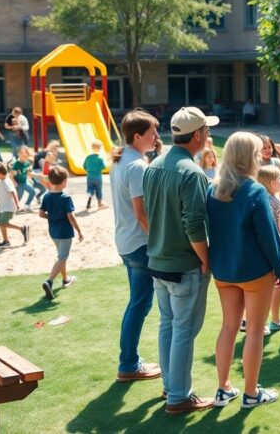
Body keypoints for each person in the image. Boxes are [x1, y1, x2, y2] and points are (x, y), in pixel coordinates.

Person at [142, 106, 216, 414]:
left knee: (168, 326)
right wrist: (206, 260)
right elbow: (194, 224)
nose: (208, 135)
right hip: (184, 265)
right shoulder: (191, 172)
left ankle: (171, 387)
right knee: (182, 329)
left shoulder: (154, 164)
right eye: (207, 131)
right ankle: (179, 396)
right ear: (197, 134)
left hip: (158, 260)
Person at [206, 133, 280, 409]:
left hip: (224, 271)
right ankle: (251, 393)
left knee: (229, 327)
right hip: (254, 271)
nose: (259, 157)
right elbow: (269, 236)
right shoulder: (255, 191)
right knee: (254, 330)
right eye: (255, 153)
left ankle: (223, 388)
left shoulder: (212, 189)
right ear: (246, 157)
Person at [110, 109, 162, 383]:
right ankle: (128, 363)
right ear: (137, 135)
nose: (156, 137)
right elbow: (142, 214)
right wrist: (159, 242)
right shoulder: (137, 166)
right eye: (152, 132)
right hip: (139, 244)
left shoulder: (122, 160)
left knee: (137, 304)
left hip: (126, 242)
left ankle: (130, 360)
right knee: (139, 305)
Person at [257, 164, 280, 331]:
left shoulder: (256, 199)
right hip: (276, 249)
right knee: (278, 285)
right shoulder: (277, 202)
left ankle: (255, 321)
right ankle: (275, 319)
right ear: (272, 183)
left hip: (259, 250)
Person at [38, 165, 81, 299]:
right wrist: (79, 231)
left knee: (61, 256)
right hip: (65, 232)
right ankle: (49, 281)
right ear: (64, 182)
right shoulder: (65, 197)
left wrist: (51, 217)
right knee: (62, 258)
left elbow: (41, 214)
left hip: (53, 231)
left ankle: (65, 279)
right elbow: (71, 217)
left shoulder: (46, 196)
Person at [0, 163, 28, 249]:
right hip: (3, 207)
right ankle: (6, 241)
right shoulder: (1, 181)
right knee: (1, 224)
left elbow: (13, 191)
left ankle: (22, 229)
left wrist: (17, 203)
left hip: (8, 207)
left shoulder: (6, 182)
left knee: (2, 223)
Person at [10, 146, 36, 211]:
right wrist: (14, 182)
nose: (23, 155)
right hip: (18, 183)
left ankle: (27, 205)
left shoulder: (27, 163)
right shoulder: (16, 164)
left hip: (24, 182)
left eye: (25, 153)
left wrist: (40, 176)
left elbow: (29, 173)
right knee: (19, 196)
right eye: (21, 153)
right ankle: (13, 208)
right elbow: (11, 175)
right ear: (18, 154)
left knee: (32, 191)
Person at [83, 140, 107, 210]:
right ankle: (100, 204)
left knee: (90, 189)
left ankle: (89, 197)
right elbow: (103, 167)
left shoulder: (88, 157)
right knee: (98, 190)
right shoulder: (100, 159)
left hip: (89, 177)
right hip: (98, 177)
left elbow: (84, 166)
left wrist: (88, 171)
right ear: (100, 149)